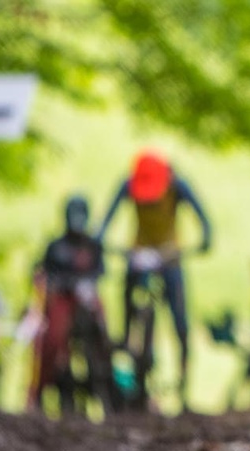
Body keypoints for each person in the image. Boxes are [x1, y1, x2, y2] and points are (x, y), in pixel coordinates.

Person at [96, 150, 212, 410]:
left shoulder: (177, 186)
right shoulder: (128, 185)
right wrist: (101, 239)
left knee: (179, 320)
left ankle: (183, 385)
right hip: (139, 254)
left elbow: (204, 221)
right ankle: (126, 337)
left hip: (169, 256)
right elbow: (104, 221)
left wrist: (203, 240)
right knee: (127, 293)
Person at [38, 195, 109, 415]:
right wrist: (57, 284)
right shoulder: (56, 246)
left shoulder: (93, 246)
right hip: (62, 299)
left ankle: (106, 380)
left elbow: (101, 272)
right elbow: (44, 274)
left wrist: (87, 286)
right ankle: (42, 386)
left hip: (86, 298)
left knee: (102, 329)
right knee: (53, 337)